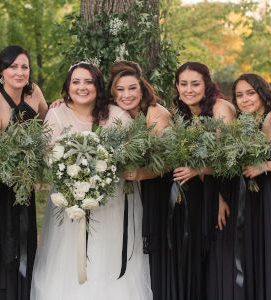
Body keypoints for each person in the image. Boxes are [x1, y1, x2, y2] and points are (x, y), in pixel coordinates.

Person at [31, 62, 152, 300]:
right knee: (68, 257)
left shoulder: (116, 114)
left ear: (98, 86)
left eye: (88, 82)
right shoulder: (56, 114)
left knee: (108, 253)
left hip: (112, 202)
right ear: (68, 86)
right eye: (76, 82)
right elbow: (46, 157)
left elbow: (134, 152)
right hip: (70, 204)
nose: (82, 87)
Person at [0, 45, 47, 300]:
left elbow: (46, 125)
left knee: (25, 244)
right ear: (2, 71)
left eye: (24, 66)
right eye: (13, 66)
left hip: (23, 187)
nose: (19, 72)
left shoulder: (34, 93)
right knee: (5, 246)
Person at [107, 60, 172, 300]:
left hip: (158, 188)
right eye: (120, 90)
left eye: (132, 88)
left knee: (154, 245)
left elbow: (168, 161)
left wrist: (141, 174)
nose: (126, 95)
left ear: (142, 89)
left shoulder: (156, 114)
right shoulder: (117, 112)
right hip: (133, 190)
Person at [171, 61, 236, 300]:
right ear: (177, 86)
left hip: (224, 190)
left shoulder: (220, 109)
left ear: (206, 85)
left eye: (195, 84)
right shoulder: (183, 113)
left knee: (218, 255)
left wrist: (218, 195)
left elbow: (229, 159)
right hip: (198, 194)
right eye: (183, 84)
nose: (189, 89)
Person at [232, 73, 271, 300]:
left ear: (262, 92)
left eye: (250, 93)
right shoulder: (245, 122)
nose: (245, 99)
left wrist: (263, 166)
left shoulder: (269, 119)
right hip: (253, 196)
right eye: (239, 95)